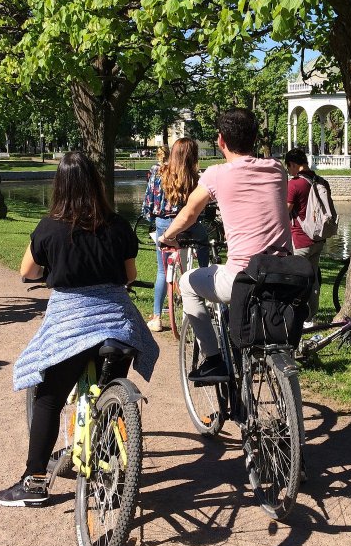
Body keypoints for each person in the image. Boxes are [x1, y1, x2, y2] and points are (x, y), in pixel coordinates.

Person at [0, 152, 158, 507]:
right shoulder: (116, 226)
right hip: (117, 326)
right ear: (97, 184)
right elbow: (129, 276)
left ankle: (35, 481)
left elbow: (27, 272)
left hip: (71, 323)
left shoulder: (49, 227)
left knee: (49, 396)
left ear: (60, 186)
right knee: (106, 396)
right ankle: (110, 471)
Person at [157, 108, 292, 383]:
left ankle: (214, 358)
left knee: (187, 283)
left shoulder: (216, 174)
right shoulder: (277, 169)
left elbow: (188, 213)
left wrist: (167, 236)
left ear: (220, 141)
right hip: (284, 273)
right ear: (254, 139)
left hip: (244, 276)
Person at [140, 138, 208, 331]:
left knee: (162, 271)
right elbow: (198, 208)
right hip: (188, 224)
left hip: (163, 224)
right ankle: (206, 280)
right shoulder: (195, 176)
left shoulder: (157, 171)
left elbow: (149, 200)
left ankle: (157, 317)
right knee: (204, 243)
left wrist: (151, 219)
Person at [284, 148, 330, 324]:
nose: (289, 172)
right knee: (313, 278)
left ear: (294, 165)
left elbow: (285, 211)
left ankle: (296, 316)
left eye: (289, 168)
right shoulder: (320, 181)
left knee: (296, 280)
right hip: (318, 238)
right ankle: (311, 315)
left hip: (300, 239)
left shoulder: (295, 184)